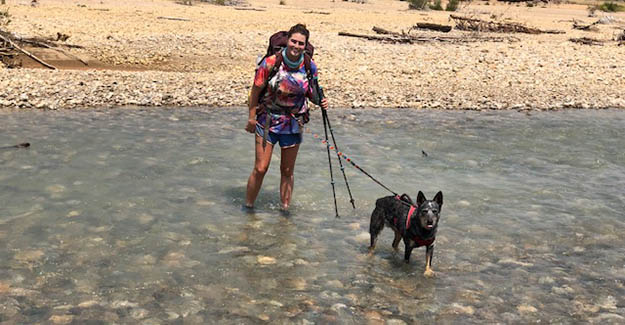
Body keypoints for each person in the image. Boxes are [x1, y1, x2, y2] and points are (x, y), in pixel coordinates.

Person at [244, 23, 329, 212]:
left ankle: (285, 210)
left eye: (301, 43)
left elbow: (312, 92)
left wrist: (320, 101)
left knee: (287, 170)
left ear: (305, 46)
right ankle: (248, 208)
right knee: (261, 168)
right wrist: (251, 118)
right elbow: (255, 91)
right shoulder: (271, 63)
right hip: (267, 120)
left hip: (293, 123)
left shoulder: (309, 66)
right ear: (287, 41)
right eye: (293, 41)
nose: (296, 46)